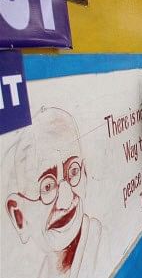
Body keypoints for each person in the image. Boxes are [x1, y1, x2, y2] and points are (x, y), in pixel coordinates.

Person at [5, 107, 104, 278]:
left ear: (85, 173)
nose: (66, 200)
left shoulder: (103, 248)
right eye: (47, 187)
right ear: (18, 215)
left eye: (73, 171)